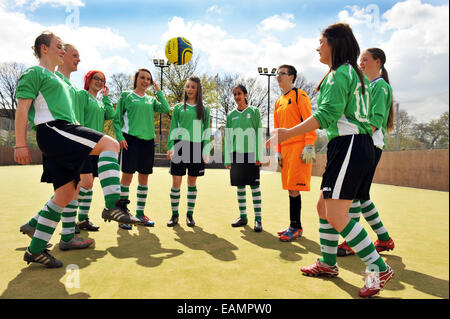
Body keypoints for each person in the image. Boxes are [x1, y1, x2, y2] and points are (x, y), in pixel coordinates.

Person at [266, 23, 394, 297]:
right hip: (346, 145)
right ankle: (328, 262)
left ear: (334, 44)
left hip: (350, 145)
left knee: (337, 214)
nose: (317, 47)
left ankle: (378, 268)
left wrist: (287, 133)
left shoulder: (341, 73)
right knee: (324, 207)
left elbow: (325, 115)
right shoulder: (348, 72)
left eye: (321, 42)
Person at [15, 31, 140, 268]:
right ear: (44, 48)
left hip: (60, 133)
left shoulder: (58, 79)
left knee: (64, 195)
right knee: (111, 145)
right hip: (55, 129)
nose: (62, 50)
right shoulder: (35, 72)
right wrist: (20, 144)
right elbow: (22, 109)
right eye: (59, 46)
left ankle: (35, 250)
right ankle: (114, 205)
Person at [337, 48, 395, 256]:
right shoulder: (368, 86)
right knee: (361, 195)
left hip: (368, 145)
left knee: (355, 195)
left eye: (365, 59)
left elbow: (376, 120)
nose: (360, 63)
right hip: (364, 145)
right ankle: (384, 238)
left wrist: (358, 139)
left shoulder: (381, 86)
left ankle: (353, 241)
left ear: (378, 62)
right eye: (360, 60)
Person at [113, 68, 170, 229]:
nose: (145, 81)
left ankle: (139, 214)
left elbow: (165, 108)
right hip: (130, 141)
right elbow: (117, 119)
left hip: (148, 142)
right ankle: (123, 215)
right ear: (136, 79)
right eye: (142, 78)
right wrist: (120, 137)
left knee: (144, 179)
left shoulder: (151, 100)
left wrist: (159, 91)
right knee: (127, 177)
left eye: (149, 79)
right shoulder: (126, 96)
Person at [273, 64, 317, 242]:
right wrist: (277, 150)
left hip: (299, 147)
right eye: (277, 74)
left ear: (291, 77)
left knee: (294, 189)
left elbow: (310, 121)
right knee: (290, 188)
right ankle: (295, 225)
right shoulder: (278, 101)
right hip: (285, 149)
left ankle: (294, 227)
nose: (278, 76)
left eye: (282, 74)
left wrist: (309, 144)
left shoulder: (300, 95)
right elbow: (277, 129)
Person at [73, 70, 116, 232]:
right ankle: (70, 221)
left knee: (88, 185)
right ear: (88, 80)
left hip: (95, 147)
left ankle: (83, 220)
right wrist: (80, 141)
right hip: (83, 145)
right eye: (96, 78)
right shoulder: (82, 95)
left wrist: (105, 97)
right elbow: (78, 119)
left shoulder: (99, 102)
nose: (99, 82)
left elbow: (110, 114)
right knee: (80, 184)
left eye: (102, 80)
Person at [166, 76, 210, 227]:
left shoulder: (204, 109)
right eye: (188, 87)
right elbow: (173, 127)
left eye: (192, 87)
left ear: (198, 90)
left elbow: (206, 130)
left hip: (196, 147)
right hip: (180, 146)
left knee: (192, 182)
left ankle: (190, 215)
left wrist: (206, 149)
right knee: (176, 182)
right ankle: (174, 215)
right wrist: (170, 146)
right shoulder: (178, 108)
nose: (189, 89)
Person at [225, 84, 264, 232]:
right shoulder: (231, 115)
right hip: (236, 155)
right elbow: (228, 138)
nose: (237, 97)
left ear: (246, 95)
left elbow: (259, 133)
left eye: (239, 94)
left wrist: (259, 155)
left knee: (254, 187)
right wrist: (228, 159)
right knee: (240, 187)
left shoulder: (254, 112)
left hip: (252, 155)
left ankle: (258, 219)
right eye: (235, 94)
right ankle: (243, 217)